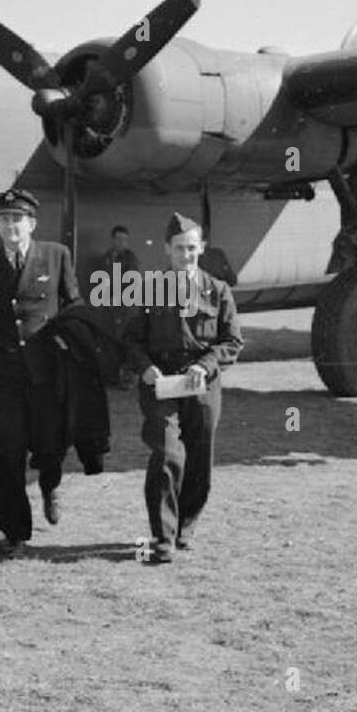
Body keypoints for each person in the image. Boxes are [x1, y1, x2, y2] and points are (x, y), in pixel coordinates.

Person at [122, 213, 243, 564]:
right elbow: (129, 339)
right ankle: (162, 537)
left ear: (201, 248)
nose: (186, 255)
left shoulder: (218, 291)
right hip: (162, 386)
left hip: (202, 387)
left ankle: (184, 527)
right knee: (167, 455)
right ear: (166, 250)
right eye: (179, 249)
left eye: (191, 248)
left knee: (199, 462)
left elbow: (232, 341)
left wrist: (203, 367)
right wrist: (145, 367)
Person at [0, 188, 79, 558]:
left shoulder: (57, 256)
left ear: (31, 223)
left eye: (17, 219)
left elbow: (73, 306)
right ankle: (15, 533)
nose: (10, 226)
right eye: (4, 220)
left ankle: (50, 483)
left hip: (46, 377)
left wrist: (70, 348)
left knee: (50, 445)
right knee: (2, 449)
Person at [101, 225, 141, 387]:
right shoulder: (108, 256)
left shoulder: (130, 258)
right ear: (112, 240)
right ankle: (114, 376)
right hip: (109, 305)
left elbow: (132, 282)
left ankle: (129, 378)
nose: (121, 242)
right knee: (111, 340)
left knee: (126, 339)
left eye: (124, 240)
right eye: (118, 239)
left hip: (125, 306)